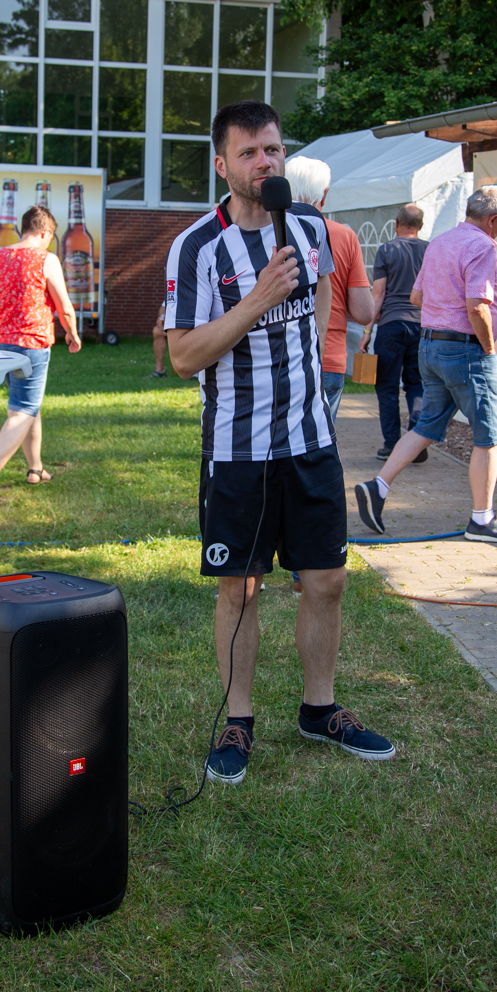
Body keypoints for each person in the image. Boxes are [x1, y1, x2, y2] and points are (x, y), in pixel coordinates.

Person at [165, 100, 396, 786]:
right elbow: (183, 356)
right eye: (249, 152)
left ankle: (319, 710)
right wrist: (256, 301)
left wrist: (316, 369)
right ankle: (237, 720)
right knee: (241, 590)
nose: (264, 162)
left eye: (273, 149)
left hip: (311, 439)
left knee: (326, 580)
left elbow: (322, 294)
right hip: (237, 449)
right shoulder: (197, 247)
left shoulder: (309, 225)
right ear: (222, 165)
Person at [355, 185, 497, 545]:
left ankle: (378, 486)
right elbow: (477, 306)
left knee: (427, 427)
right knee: (490, 436)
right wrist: (489, 350)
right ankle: (482, 520)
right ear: (493, 220)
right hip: (466, 351)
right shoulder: (482, 246)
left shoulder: (440, 242)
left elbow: (417, 296)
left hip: (431, 346)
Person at [0, 205, 81, 506]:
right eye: (51, 237)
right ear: (45, 233)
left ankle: (35, 469)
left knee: (26, 407)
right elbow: (64, 306)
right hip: (31, 345)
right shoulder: (46, 259)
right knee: (24, 409)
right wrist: (72, 333)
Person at [285, 156, 373, 421]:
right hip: (329, 355)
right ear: (324, 195)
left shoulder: (265, 230)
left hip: (278, 353)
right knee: (319, 438)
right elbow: (364, 312)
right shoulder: (344, 236)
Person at [359, 204, 429, 461]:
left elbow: (378, 295)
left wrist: (367, 330)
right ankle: (417, 445)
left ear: (396, 223)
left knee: (387, 387)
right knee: (417, 384)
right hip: (422, 325)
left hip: (391, 325)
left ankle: (391, 445)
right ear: (420, 225)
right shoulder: (430, 250)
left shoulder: (387, 249)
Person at [146, 300, 167, 378]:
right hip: (174, 327)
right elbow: (163, 308)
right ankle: (159, 370)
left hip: (193, 327)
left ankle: (195, 371)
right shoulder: (173, 293)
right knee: (157, 331)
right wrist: (161, 317)